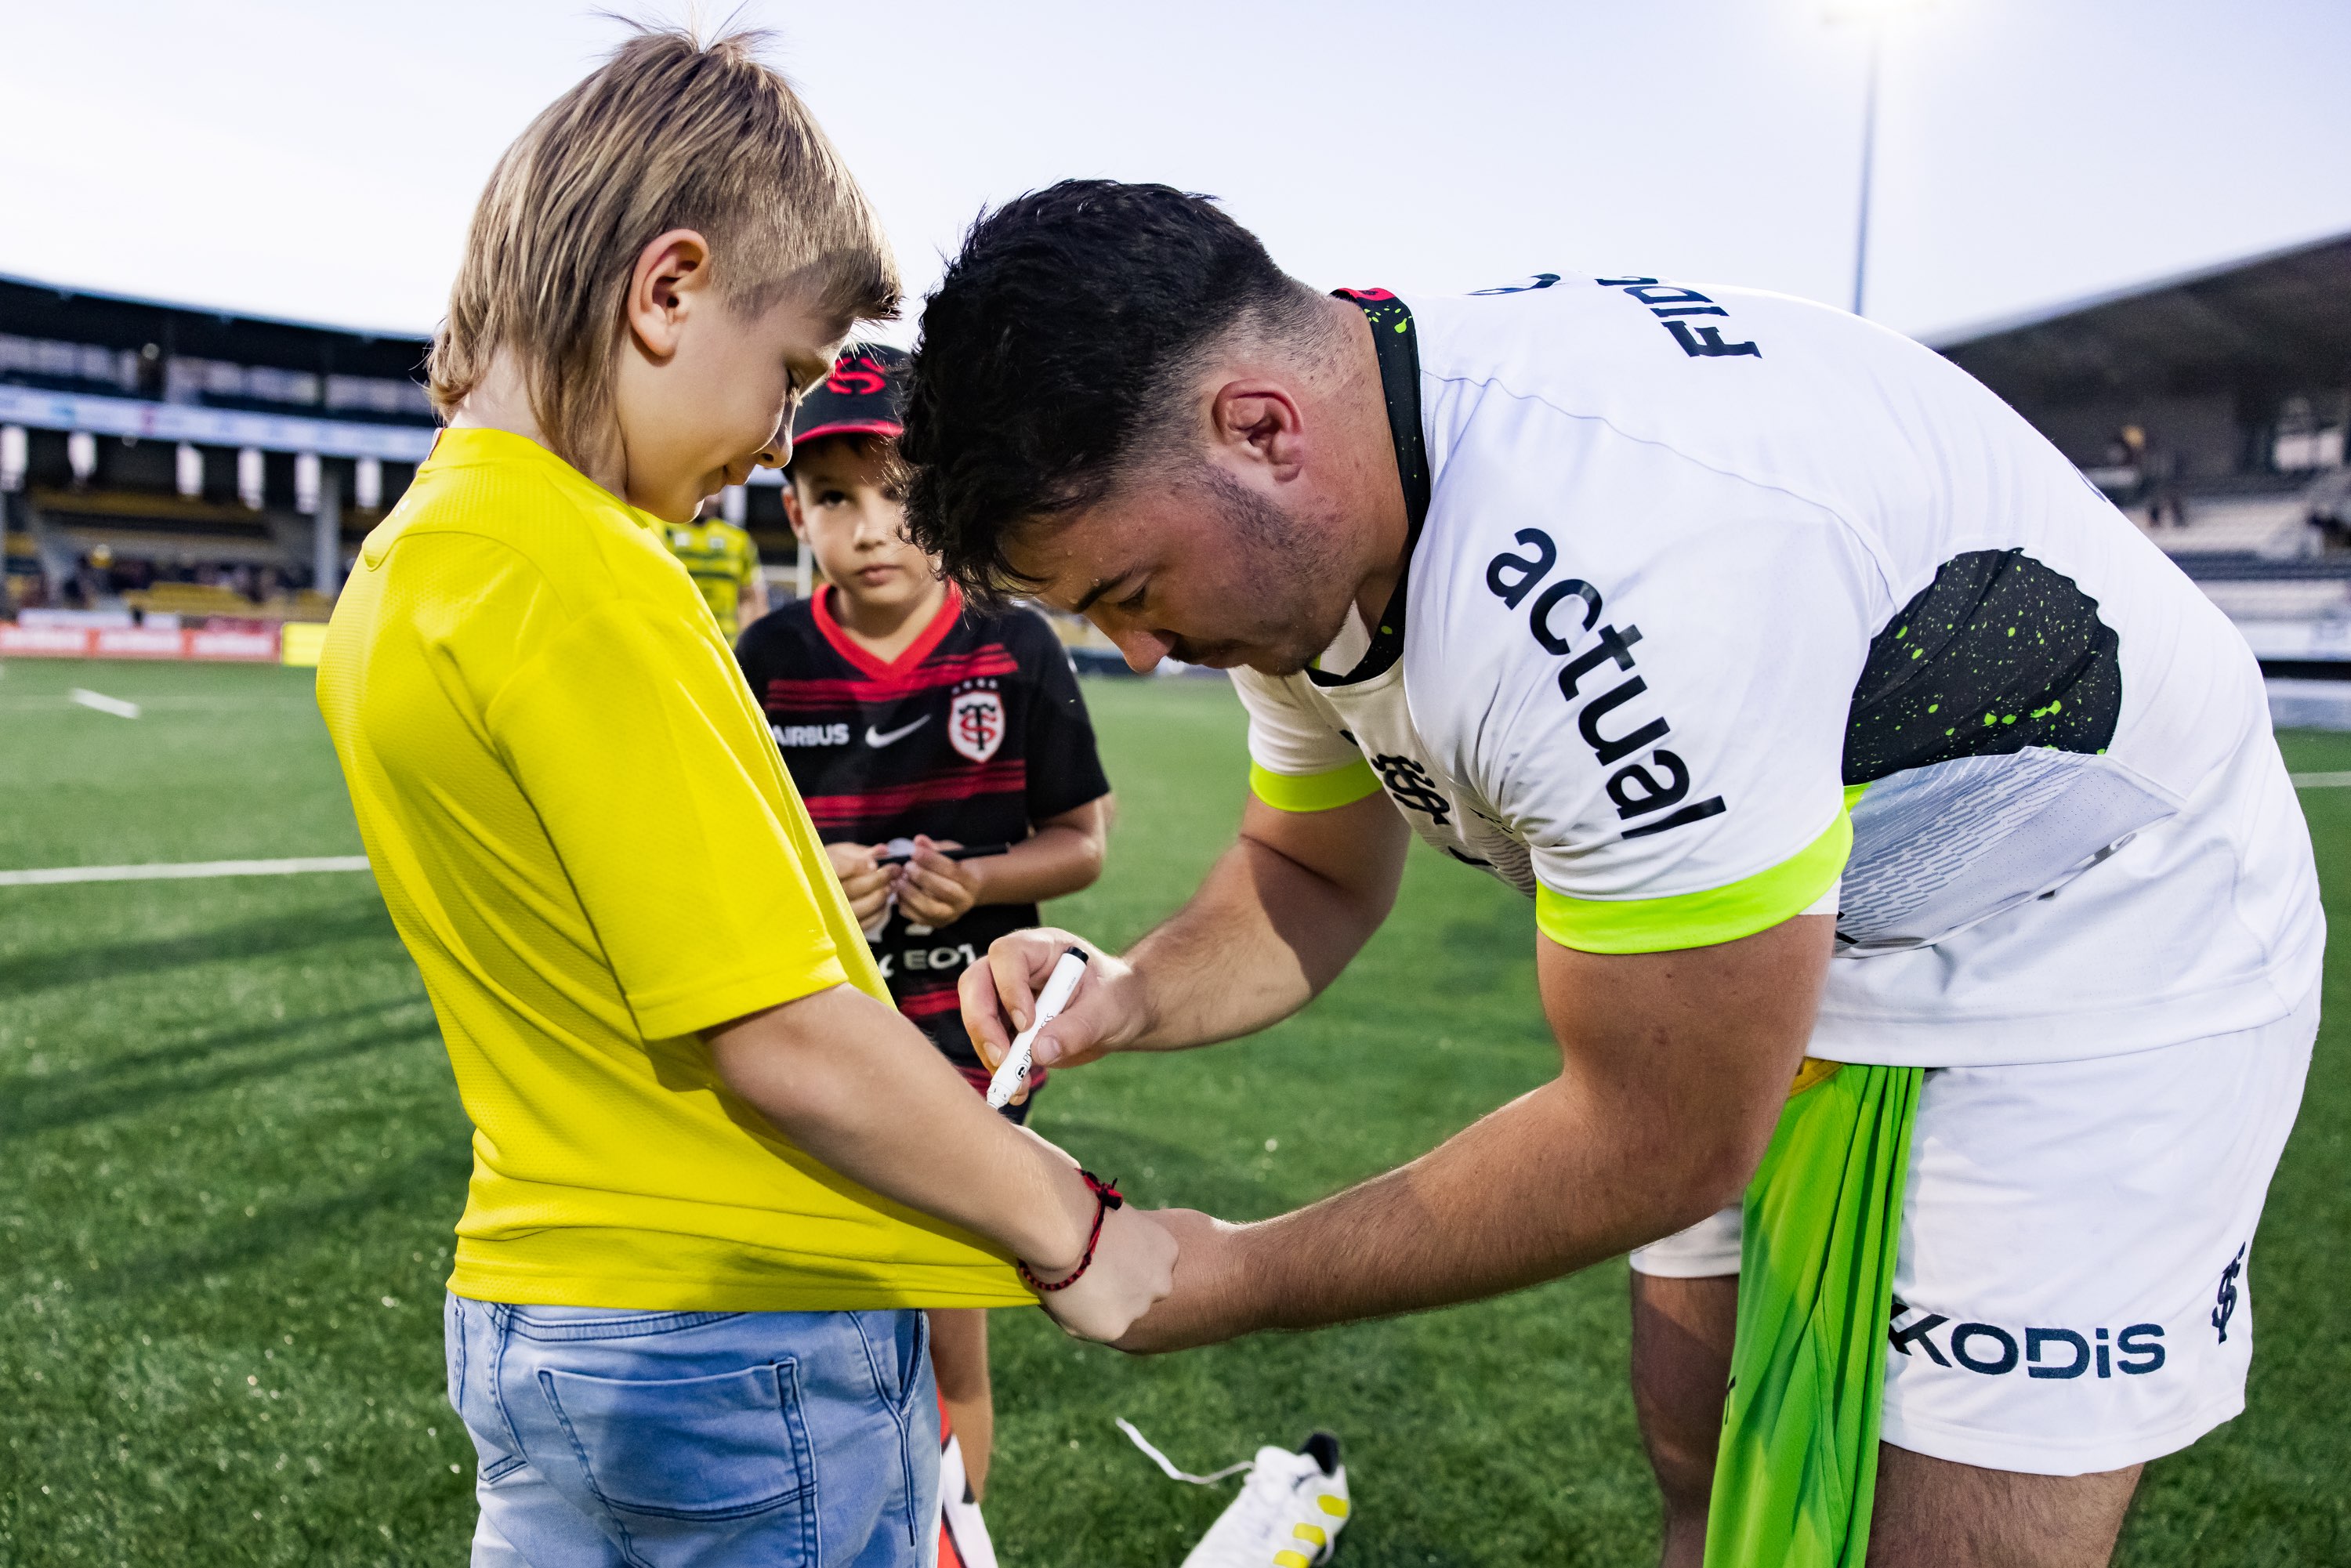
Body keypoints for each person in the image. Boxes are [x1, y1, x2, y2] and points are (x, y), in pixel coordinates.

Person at [901, 181, 2324, 1568]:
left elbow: (1664, 1138)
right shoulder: (1323, 510)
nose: (1140, 654)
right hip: (1789, 917)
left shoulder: (1621, 572)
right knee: (1699, 1443)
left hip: (2096, 931)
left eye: (1133, 594)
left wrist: (1221, 1272)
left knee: (1946, 1534)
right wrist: (1129, 989)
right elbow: (1309, 874)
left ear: (1260, 430)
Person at [313, 48, 1171, 1566]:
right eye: (786, 371)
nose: (777, 437)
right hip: (736, 1331)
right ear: (668, 290)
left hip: (534, 1312)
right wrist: (1074, 1222)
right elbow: (777, 1033)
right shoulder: (589, 574)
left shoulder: (402, 571)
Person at [735, 341, 1115, 1501]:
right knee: (816, 1321)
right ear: (795, 511)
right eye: (836, 497)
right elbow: (733, 857)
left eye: (901, 492)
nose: (873, 526)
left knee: (952, 1334)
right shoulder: (767, 657)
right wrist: (809, 876)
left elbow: (1083, 842)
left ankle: (952, 1530)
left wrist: (984, 882)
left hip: (969, 1049)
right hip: (817, 1044)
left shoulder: (1014, 646)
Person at [660, 494, 767, 642]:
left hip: (727, 645)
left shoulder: (739, 541)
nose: (710, 498)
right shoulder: (662, 533)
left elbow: (752, 599)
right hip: (676, 642)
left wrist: (747, 646)